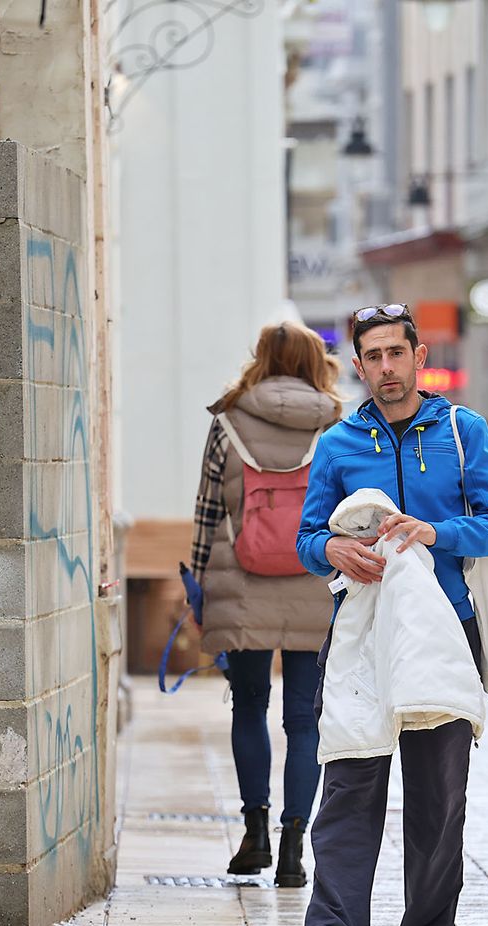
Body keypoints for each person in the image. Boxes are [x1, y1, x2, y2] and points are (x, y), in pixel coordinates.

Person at [290, 303, 488, 926]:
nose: (387, 367)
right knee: (350, 777)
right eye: (374, 356)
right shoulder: (338, 443)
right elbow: (307, 538)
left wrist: (435, 532)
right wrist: (332, 548)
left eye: (398, 353)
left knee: (438, 795)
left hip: (445, 631)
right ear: (358, 366)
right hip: (362, 637)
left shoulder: (463, 431)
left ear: (419, 356)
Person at [191, 321, 342, 887]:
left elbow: (208, 510)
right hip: (314, 579)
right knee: (304, 719)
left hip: (241, 583)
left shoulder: (228, 421)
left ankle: (255, 834)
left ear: (260, 358)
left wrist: (200, 584)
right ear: (314, 360)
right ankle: (294, 847)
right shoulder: (335, 425)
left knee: (248, 705)